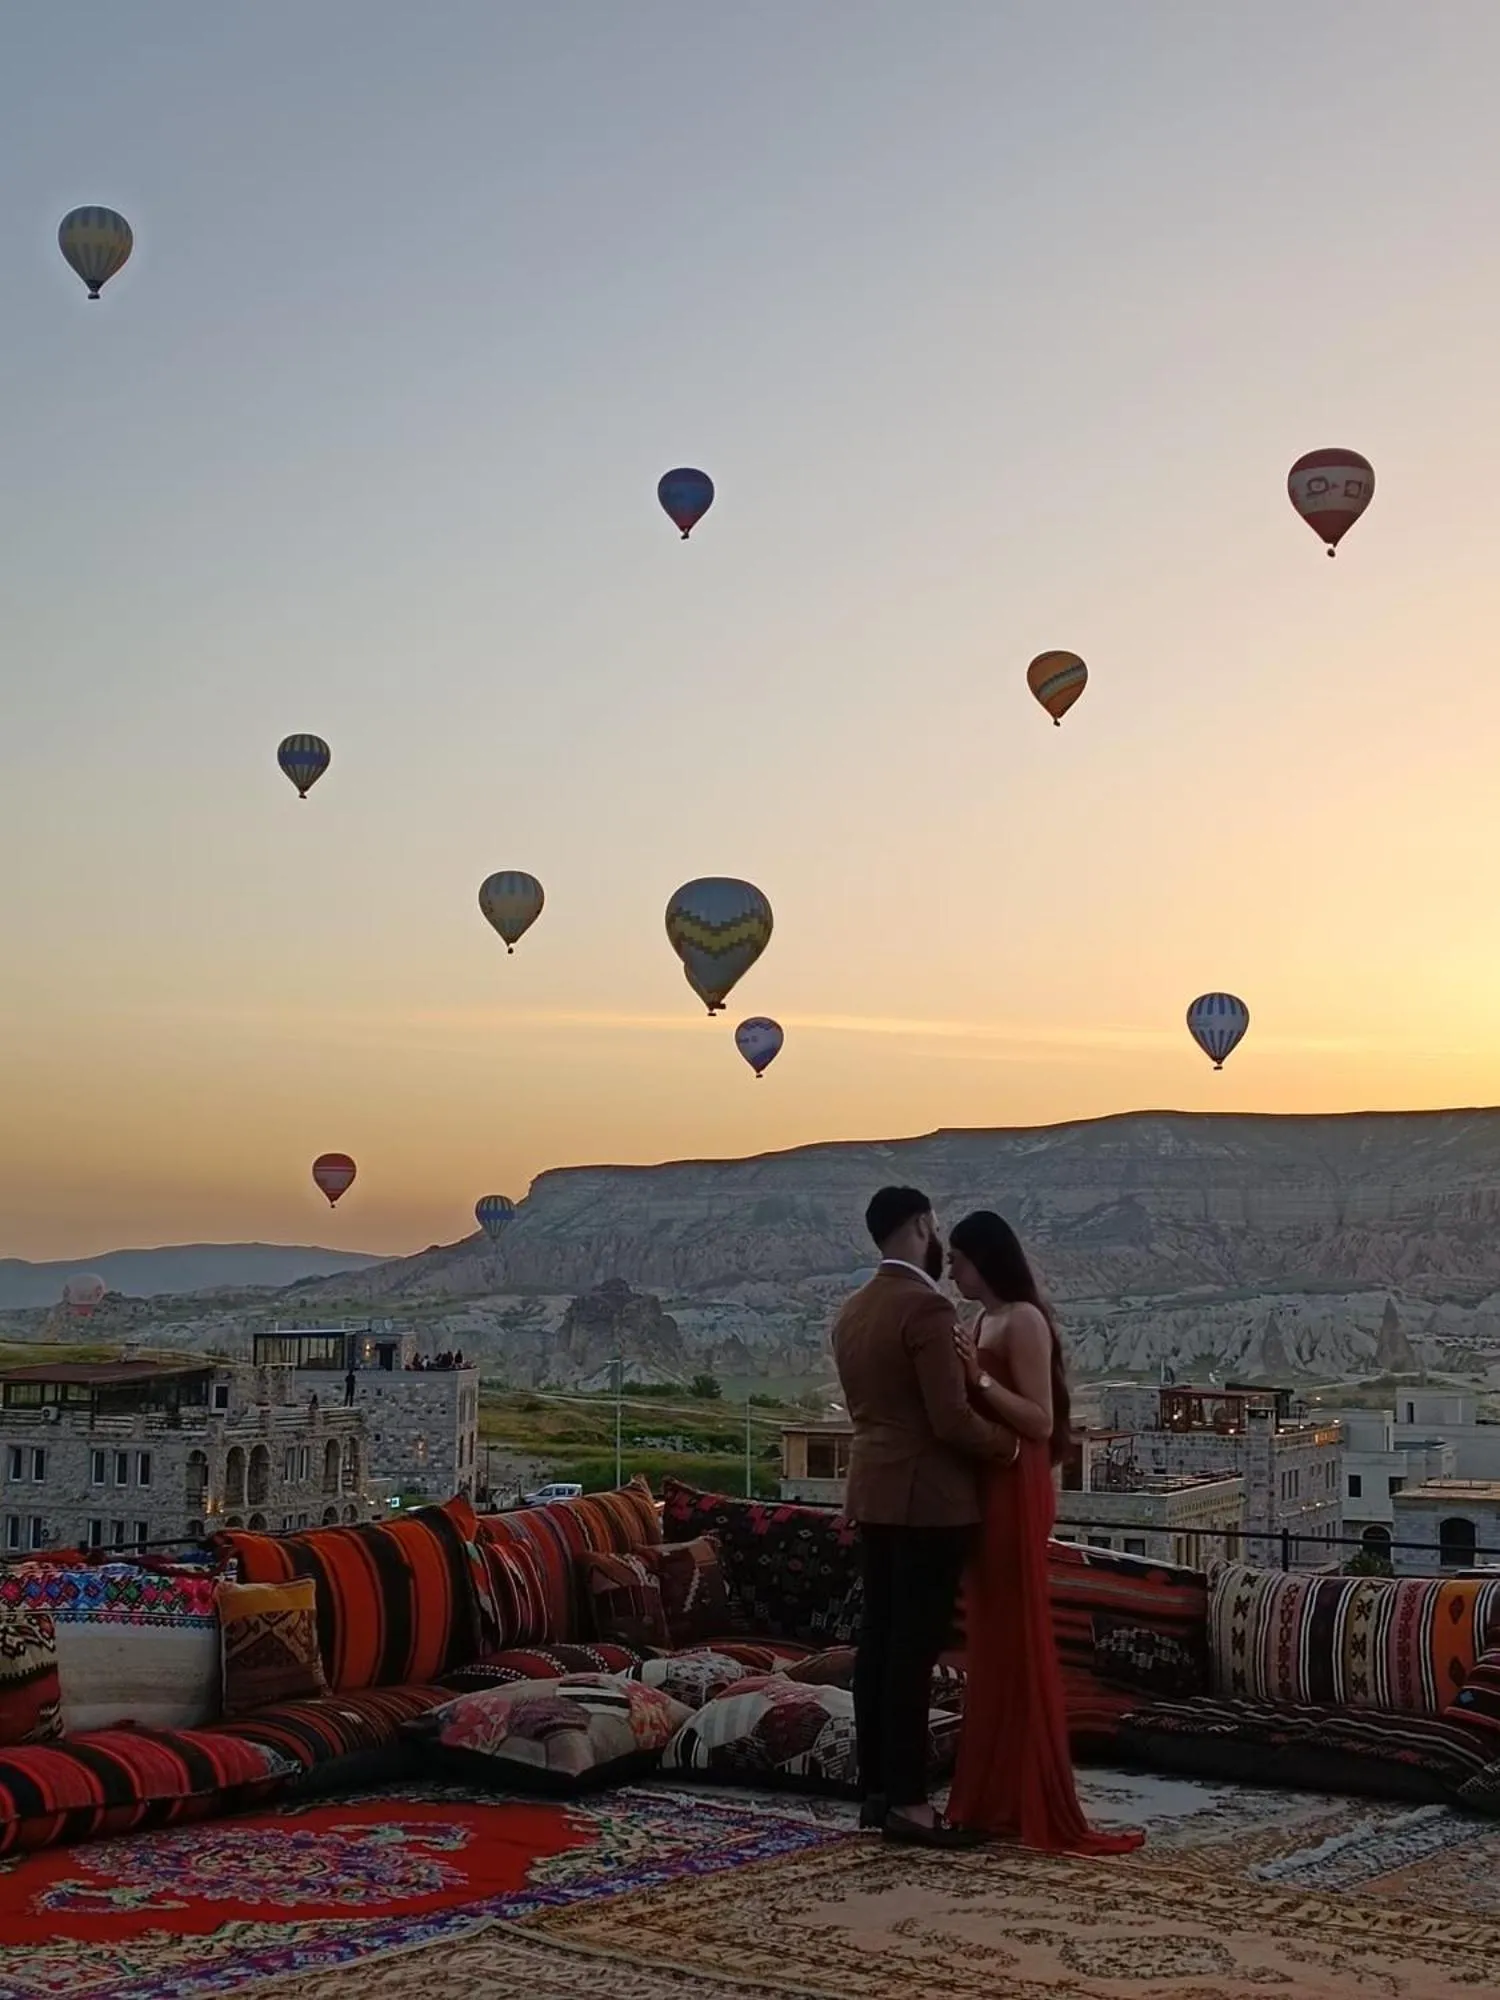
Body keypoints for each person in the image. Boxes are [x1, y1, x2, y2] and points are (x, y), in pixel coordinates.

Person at [945, 1210, 1144, 1855]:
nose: (951, 1269)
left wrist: (975, 1375)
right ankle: (996, 1794)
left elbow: (1038, 1418)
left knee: (1017, 1632)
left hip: (1017, 1482)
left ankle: (1035, 1798)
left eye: (959, 1258)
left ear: (986, 1260)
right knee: (992, 1638)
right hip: (988, 1482)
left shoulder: (1023, 1320)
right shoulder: (983, 1322)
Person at [832, 1186, 1019, 1849]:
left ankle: (877, 1792)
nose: (938, 1241)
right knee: (912, 1653)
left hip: (872, 1495)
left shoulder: (852, 1311)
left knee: (878, 1647)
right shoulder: (928, 1309)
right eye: (934, 1228)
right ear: (919, 1226)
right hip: (930, 1504)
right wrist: (1012, 1447)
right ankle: (911, 1804)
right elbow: (951, 1420)